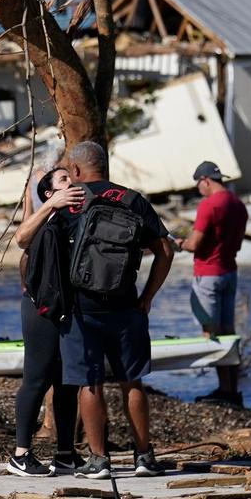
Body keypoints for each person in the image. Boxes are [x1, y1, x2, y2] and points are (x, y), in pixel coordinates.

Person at [55, 141, 174, 480]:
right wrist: (148, 297)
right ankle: (144, 457)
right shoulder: (132, 200)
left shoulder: (70, 202)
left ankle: (99, 460)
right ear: (105, 167)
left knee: (89, 384)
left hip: (80, 309)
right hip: (126, 306)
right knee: (131, 381)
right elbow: (165, 251)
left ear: (76, 171)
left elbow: (39, 254)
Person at [7, 166, 84, 477]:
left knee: (67, 383)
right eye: (64, 180)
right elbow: (21, 238)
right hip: (39, 310)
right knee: (37, 379)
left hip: (67, 309)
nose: (71, 183)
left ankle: (65, 452)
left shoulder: (74, 216)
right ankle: (20, 454)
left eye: (71, 177)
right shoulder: (48, 218)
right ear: (49, 194)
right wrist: (46, 204)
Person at [178, 160, 248, 407]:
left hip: (208, 275)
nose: (198, 189)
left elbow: (195, 244)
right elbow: (237, 243)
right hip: (230, 272)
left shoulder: (209, 205)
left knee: (213, 335)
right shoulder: (239, 205)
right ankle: (232, 390)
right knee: (229, 333)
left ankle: (224, 391)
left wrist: (179, 244)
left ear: (205, 180)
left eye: (199, 183)